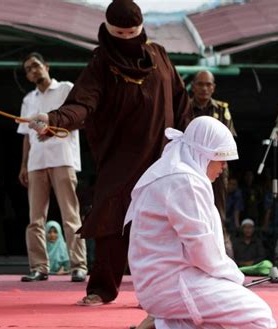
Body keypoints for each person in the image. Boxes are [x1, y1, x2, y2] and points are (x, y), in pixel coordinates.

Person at [25, 0, 192, 305]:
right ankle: (102, 288)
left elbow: (181, 102)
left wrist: (193, 138)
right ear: (108, 31)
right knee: (111, 221)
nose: (127, 40)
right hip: (120, 158)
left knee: (164, 226)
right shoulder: (101, 63)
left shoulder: (159, 56)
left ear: (141, 30)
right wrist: (53, 119)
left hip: (163, 156)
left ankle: (159, 293)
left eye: (133, 33)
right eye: (120, 34)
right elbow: (82, 103)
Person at [124, 116, 276, 329]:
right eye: (220, 158)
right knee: (259, 319)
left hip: (165, 282)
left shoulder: (174, 171)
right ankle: (164, 323)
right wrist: (235, 278)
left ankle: (163, 324)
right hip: (174, 283)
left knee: (227, 320)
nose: (224, 166)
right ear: (202, 154)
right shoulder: (184, 181)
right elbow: (202, 252)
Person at [17, 52, 87, 282]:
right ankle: (39, 267)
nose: (33, 71)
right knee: (35, 218)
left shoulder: (66, 89)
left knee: (70, 214)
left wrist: (52, 127)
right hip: (37, 161)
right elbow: (27, 135)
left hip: (62, 157)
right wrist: (24, 165)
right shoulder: (29, 99)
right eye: (28, 69)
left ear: (46, 66)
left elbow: (79, 116)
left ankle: (78, 265)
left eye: (35, 65)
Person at [190, 70, 236, 224]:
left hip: (216, 163)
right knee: (191, 203)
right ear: (193, 86)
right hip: (191, 164)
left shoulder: (222, 109)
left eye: (208, 84)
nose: (204, 88)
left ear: (213, 87)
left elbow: (227, 140)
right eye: (200, 84)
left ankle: (220, 235)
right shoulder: (184, 108)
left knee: (218, 204)